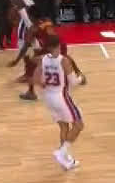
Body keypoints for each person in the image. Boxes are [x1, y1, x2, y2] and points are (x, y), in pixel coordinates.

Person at [32, 33, 86, 170]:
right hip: (61, 97)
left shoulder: (42, 59)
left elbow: (35, 79)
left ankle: (65, 159)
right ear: (58, 45)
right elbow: (73, 82)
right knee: (79, 125)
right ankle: (61, 153)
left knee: (64, 127)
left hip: (48, 97)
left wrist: (43, 83)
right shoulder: (64, 61)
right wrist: (81, 78)